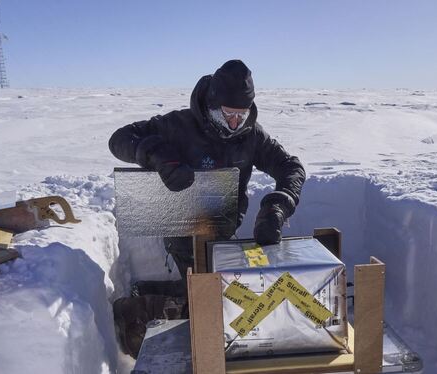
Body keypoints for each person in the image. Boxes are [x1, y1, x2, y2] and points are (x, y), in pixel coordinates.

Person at [108, 60, 305, 356]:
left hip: (223, 228)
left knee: (222, 292)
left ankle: (153, 294)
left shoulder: (251, 135)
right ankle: (133, 316)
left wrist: (278, 204)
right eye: (229, 114)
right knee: (211, 300)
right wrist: (159, 156)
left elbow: (291, 167)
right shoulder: (178, 125)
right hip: (180, 227)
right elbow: (120, 139)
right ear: (213, 103)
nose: (236, 122)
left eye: (242, 114)